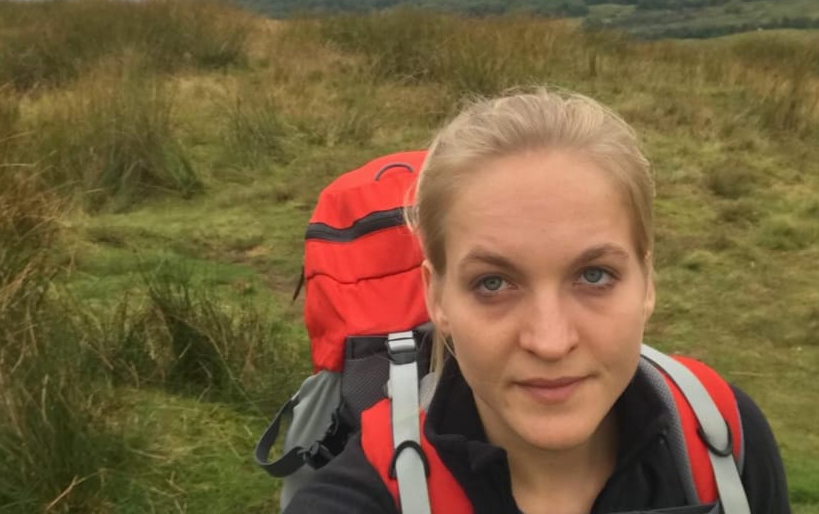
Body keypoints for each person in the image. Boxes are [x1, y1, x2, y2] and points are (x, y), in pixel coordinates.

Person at [284, 88, 790, 514]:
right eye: (493, 284)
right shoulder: (357, 500)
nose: (549, 342)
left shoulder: (723, 436)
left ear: (648, 281)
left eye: (594, 275)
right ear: (436, 295)